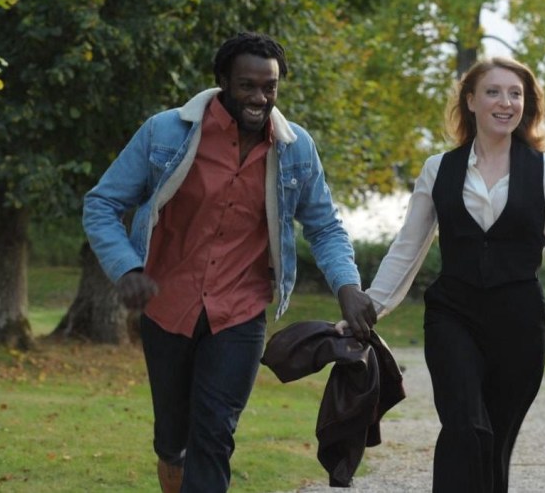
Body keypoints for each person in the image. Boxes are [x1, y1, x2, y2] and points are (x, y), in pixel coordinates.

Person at [82, 32, 376, 492]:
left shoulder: (295, 149)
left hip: (239, 311)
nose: (260, 98)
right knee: (173, 435)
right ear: (222, 82)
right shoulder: (165, 133)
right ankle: (170, 459)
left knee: (215, 432)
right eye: (247, 86)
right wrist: (127, 268)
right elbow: (101, 204)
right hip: (167, 305)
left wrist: (347, 287)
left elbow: (324, 225)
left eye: (270, 87)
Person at [349, 56, 545, 492]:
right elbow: (408, 246)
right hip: (453, 313)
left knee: (495, 442)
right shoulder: (439, 168)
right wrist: (371, 307)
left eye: (516, 94)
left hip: (519, 322)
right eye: (493, 92)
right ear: (470, 100)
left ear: (526, 105)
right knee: (465, 425)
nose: (505, 102)